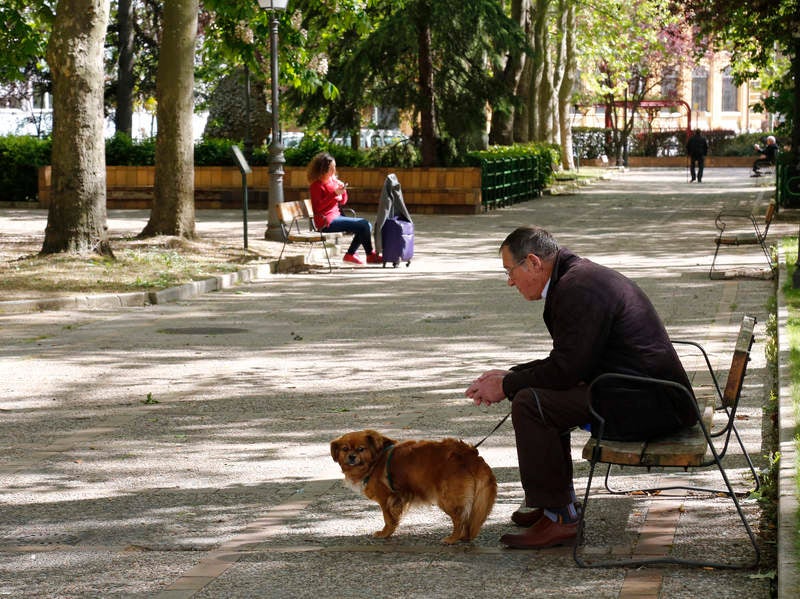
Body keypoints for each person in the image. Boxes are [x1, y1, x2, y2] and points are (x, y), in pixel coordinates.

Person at [465, 226, 697, 549]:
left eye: (510, 271)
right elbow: (569, 361)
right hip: (641, 392)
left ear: (533, 262)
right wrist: (510, 375)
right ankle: (558, 503)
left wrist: (508, 385)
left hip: (646, 403)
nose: (509, 281)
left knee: (531, 404)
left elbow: (566, 371)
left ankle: (560, 518)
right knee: (537, 397)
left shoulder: (577, 288)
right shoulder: (575, 278)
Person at [307, 152, 382, 265]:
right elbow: (318, 208)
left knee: (366, 225)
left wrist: (343, 191)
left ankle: (352, 254)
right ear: (322, 170)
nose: (334, 171)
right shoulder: (316, 186)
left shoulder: (332, 182)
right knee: (364, 225)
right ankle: (367, 255)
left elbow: (343, 201)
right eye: (331, 169)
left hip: (336, 217)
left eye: (334, 167)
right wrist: (333, 194)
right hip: (325, 221)